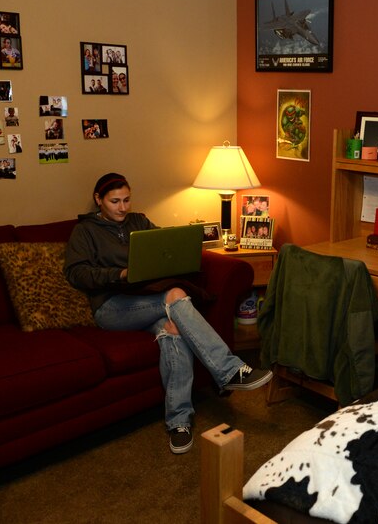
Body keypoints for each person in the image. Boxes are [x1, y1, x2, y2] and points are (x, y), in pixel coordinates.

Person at [64, 173, 273, 455]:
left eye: (126, 200)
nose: (122, 207)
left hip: (147, 298)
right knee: (175, 296)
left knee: (173, 330)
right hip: (112, 307)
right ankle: (228, 370)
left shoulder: (138, 221)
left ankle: (179, 422)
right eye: (114, 201)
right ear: (98, 199)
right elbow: (76, 273)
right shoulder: (85, 231)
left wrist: (173, 252)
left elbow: (163, 248)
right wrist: (119, 274)